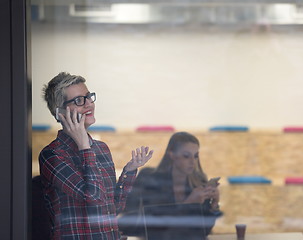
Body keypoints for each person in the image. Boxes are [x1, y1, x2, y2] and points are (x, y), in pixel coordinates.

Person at [39, 72, 153, 240]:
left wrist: (129, 171)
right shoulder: (52, 156)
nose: (89, 104)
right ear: (60, 112)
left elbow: (112, 208)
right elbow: (94, 200)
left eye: (88, 97)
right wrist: (84, 146)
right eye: (79, 100)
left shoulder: (101, 149)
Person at [121, 132, 222, 239]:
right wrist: (189, 203)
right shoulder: (150, 179)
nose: (193, 161)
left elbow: (204, 231)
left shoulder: (198, 182)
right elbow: (149, 228)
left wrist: (214, 205)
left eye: (196, 156)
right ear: (172, 154)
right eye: (186, 156)